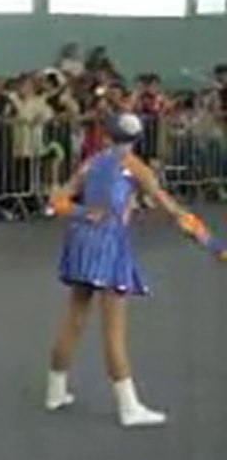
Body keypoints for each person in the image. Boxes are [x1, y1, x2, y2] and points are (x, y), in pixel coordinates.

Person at [46, 113, 206, 428]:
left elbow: (56, 202)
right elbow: (166, 204)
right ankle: (129, 407)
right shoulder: (136, 167)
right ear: (135, 140)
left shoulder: (91, 163)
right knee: (114, 329)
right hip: (110, 247)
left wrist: (82, 212)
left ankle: (55, 392)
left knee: (75, 317)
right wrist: (193, 226)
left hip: (80, 242)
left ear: (107, 136)